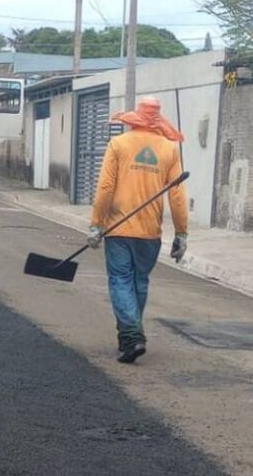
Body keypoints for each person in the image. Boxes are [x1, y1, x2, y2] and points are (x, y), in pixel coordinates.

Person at [88, 96, 188, 364]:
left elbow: (106, 187)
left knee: (121, 280)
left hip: (119, 229)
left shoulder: (119, 144)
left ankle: (132, 335)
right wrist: (181, 232)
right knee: (139, 281)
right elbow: (177, 195)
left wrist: (97, 223)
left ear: (135, 118)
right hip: (149, 233)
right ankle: (129, 337)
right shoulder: (169, 149)